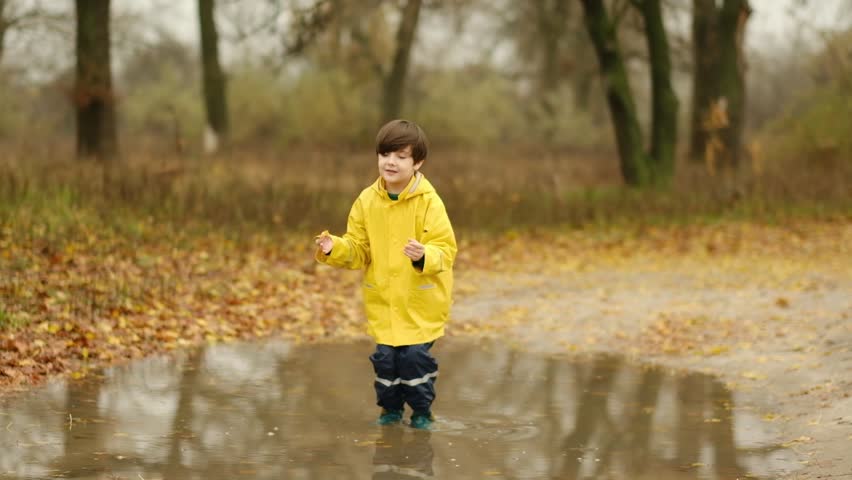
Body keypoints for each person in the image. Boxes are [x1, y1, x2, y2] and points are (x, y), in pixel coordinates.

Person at [314, 119, 457, 429]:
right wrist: (333, 247)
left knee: (413, 360)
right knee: (386, 362)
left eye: (401, 156)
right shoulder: (367, 201)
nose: (391, 162)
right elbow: (358, 249)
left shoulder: (429, 203)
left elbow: (446, 250)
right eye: (385, 154)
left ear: (417, 162)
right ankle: (389, 410)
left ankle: (421, 412)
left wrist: (424, 256)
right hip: (383, 300)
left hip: (419, 303)